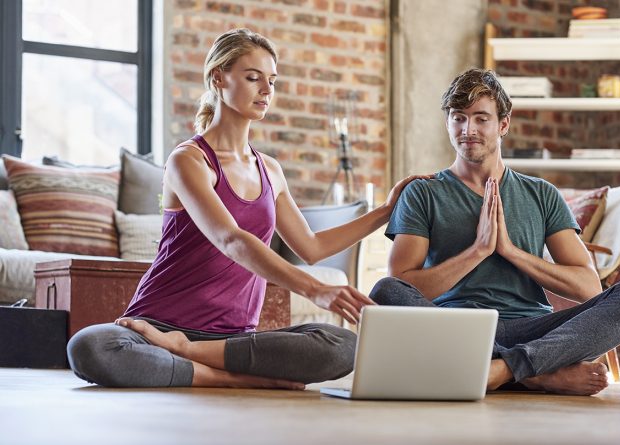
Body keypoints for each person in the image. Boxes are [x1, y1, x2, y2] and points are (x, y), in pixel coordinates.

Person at [67, 28, 425, 389]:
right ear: (217, 78)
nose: (267, 91)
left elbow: (312, 247)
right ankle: (236, 379)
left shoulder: (270, 170)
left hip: (231, 340)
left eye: (271, 80)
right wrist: (315, 290)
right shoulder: (189, 161)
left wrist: (385, 210)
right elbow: (231, 239)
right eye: (253, 78)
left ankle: (190, 356)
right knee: (92, 347)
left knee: (341, 347)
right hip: (158, 326)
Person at [369, 68, 620, 396]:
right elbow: (402, 284)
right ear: (447, 122)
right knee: (384, 291)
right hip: (456, 328)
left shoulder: (541, 194)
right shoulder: (423, 193)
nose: (468, 129)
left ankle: (501, 368)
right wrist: (478, 251)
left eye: (481, 118)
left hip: (533, 329)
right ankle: (534, 374)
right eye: (458, 118)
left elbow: (588, 286)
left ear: (504, 124)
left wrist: (510, 251)